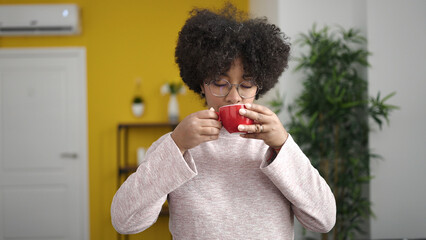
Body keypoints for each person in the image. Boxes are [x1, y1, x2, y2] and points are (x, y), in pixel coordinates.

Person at [111, 3, 336, 239]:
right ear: (201, 84)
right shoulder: (177, 146)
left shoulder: (275, 147)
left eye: (246, 84)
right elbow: (124, 222)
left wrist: (283, 145)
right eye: (220, 82)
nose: (233, 96)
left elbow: (324, 220)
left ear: (260, 86)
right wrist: (176, 145)